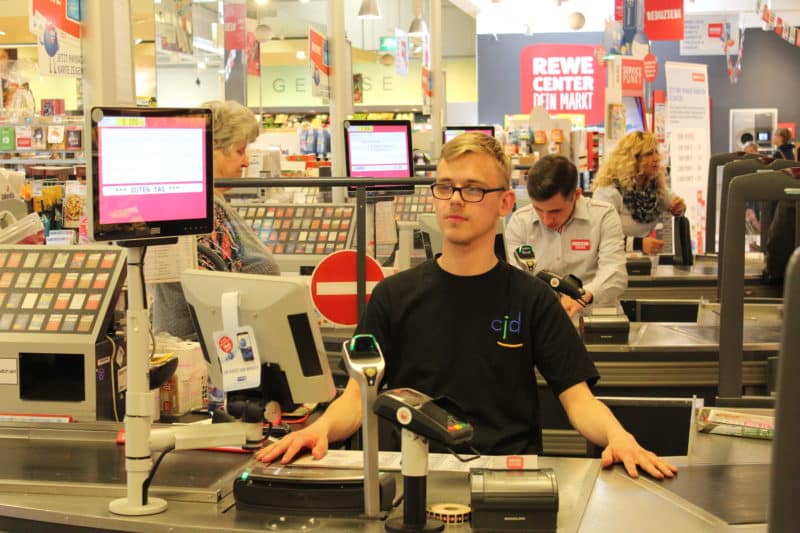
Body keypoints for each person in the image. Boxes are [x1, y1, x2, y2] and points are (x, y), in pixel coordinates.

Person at [256, 133, 677, 480]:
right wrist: (320, 429)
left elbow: (577, 398)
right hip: (414, 476)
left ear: (505, 205)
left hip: (508, 477)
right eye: (445, 187)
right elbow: (357, 395)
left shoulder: (532, 301)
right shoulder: (391, 296)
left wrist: (618, 436)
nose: (455, 199)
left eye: (473, 189)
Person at [150, 100, 280, 338]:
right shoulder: (203, 208)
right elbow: (214, 289)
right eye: (239, 151)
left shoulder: (201, 201)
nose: (246, 161)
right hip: (206, 347)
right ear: (211, 150)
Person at [505, 155, 627, 318]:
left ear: (576, 195)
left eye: (555, 211)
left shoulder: (603, 215)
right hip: (540, 319)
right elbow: (513, 276)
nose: (547, 220)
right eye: (538, 209)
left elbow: (615, 272)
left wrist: (584, 296)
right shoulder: (520, 221)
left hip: (594, 319)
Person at [592, 131, 686, 255]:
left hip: (640, 263)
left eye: (656, 152)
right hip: (611, 263)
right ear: (632, 159)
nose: (656, 158)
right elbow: (599, 238)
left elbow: (674, 202)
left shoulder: (653, 188)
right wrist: (639, 244)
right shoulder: (608, 192)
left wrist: (679, 207)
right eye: (649, 154)